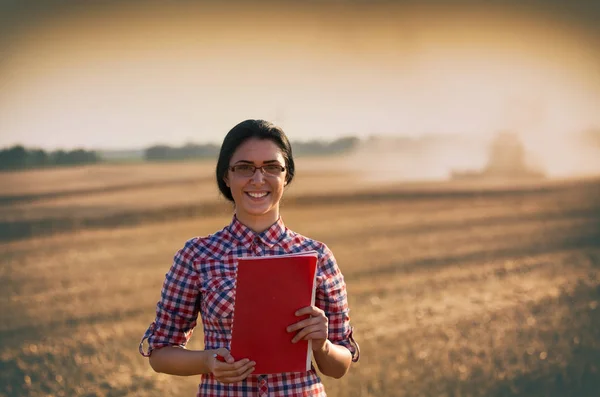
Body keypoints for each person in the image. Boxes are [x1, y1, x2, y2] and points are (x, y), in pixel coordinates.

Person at [139, 119, 359, 396]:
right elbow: (160, 353)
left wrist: (323, 345)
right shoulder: (197, 255)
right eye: (244, 168)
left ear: (286, 175)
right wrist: (207, 360)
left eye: (271, 167)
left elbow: (340, 366)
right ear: (226, 176)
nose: (258, 179)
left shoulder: (317, 256)